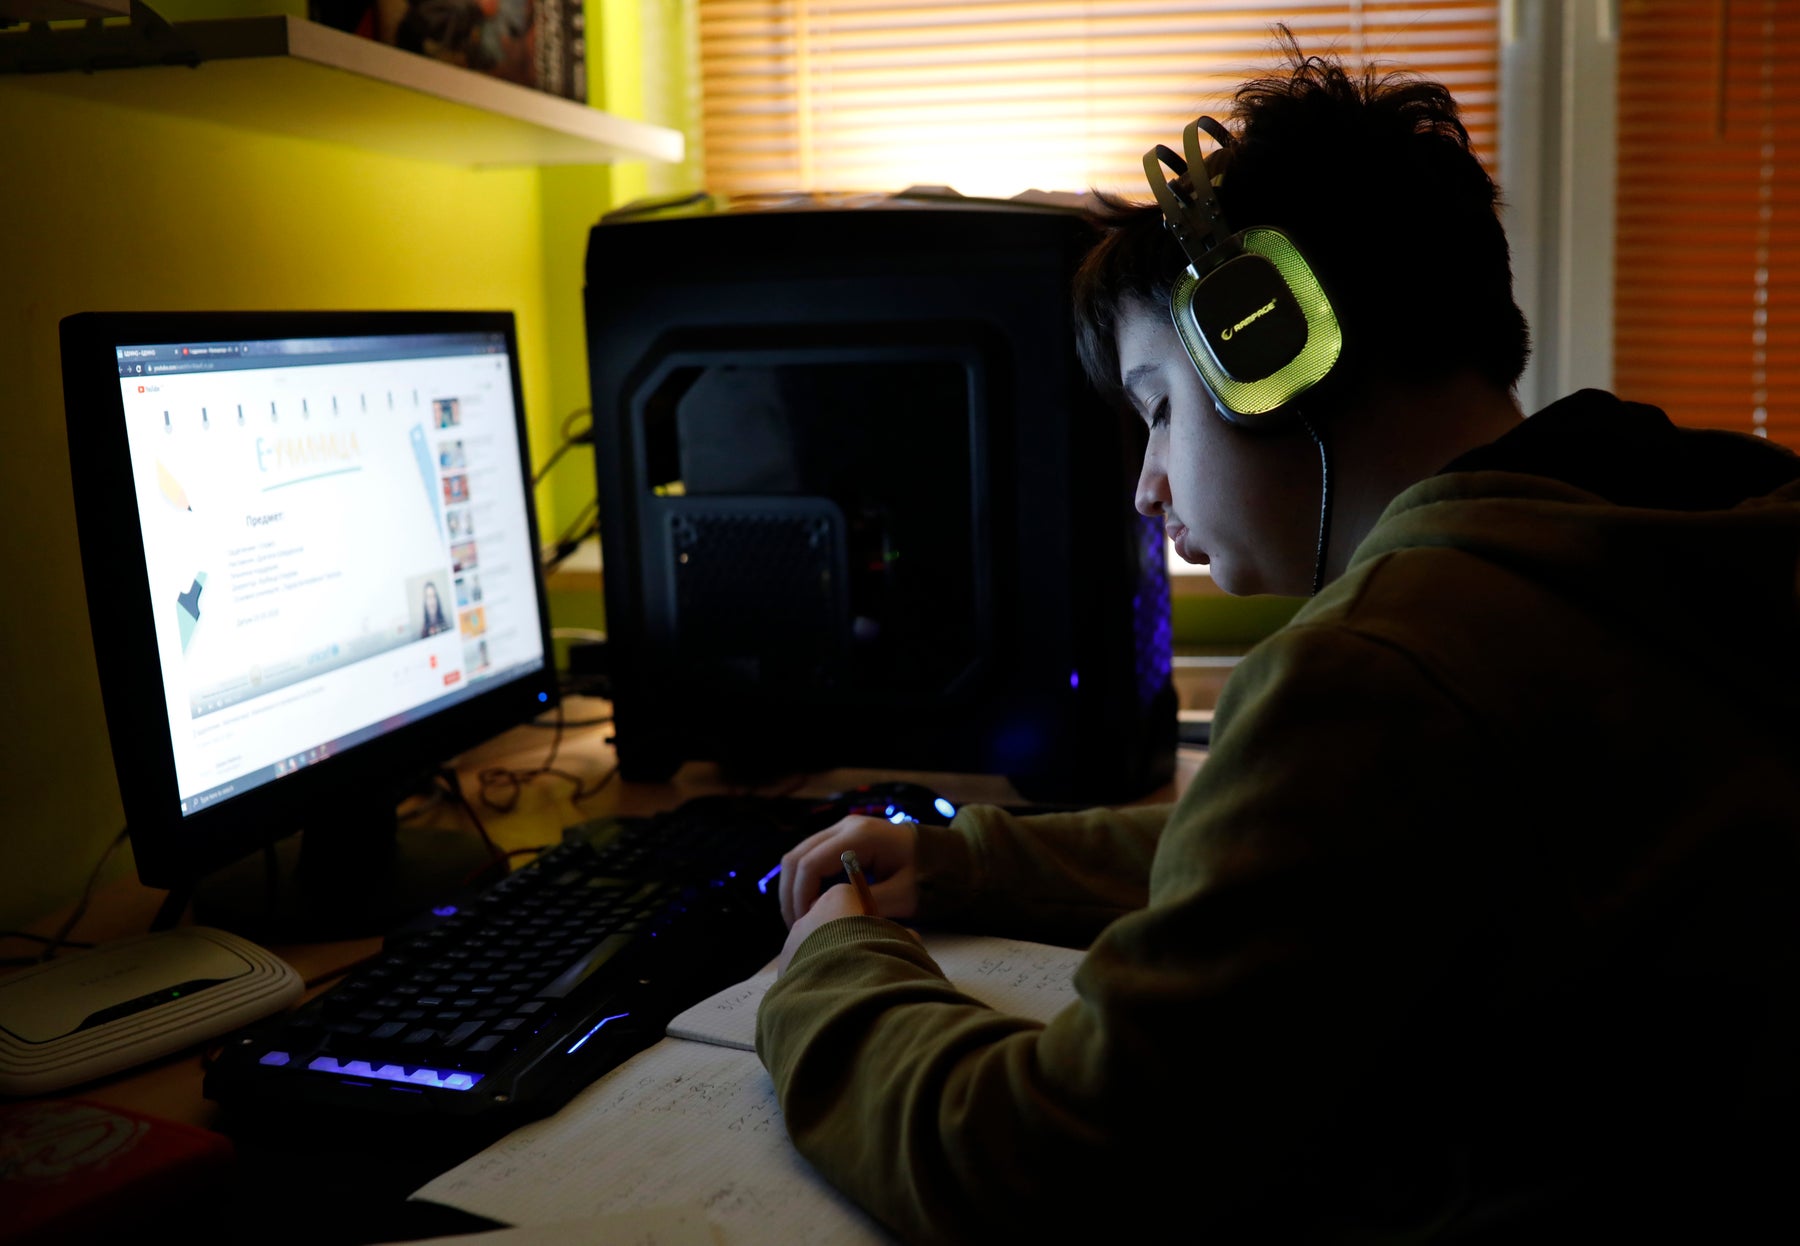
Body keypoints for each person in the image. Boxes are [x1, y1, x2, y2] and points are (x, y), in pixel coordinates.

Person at [759, 32, 1800, 1245]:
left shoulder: (1380, 672)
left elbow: (1045, 1163)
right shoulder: (1661, 535)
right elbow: (1313, 853)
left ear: (1268, 345)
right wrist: (963, 861)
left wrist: (832, 966)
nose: (1147, 485)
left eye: (1158, 408)